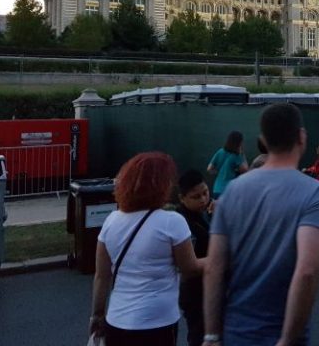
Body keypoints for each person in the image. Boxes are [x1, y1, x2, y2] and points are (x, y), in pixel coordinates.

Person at [202, 103, 319, 346]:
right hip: (283, 334)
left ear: (263, 140)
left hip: (236, 331)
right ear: (301, 137)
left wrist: (211, 335)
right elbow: (307, 270)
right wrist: (287, 339)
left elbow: (213, 267)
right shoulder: (313, 193)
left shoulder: (232, 192)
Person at [89, 152, 204, 346]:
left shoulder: (111, 221)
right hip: (158, 321)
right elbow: (190, 268)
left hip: (118, 320)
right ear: (160, 186)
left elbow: (101, 276)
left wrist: (97, 316)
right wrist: (218, 258)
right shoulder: (172, 222)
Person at [176, 170, 213, 346]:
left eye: (205, 192)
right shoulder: (181, 222)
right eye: (196, 196)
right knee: (199, 335)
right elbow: (188, 267)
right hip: (194, 290)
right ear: (182, 198)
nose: (203, 199)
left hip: (210, 286)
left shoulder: (205, 213)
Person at [207, 131, 248, 199]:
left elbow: (209, 169)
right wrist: (242, 155)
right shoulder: (236, 156)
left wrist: (220, 172)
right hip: (229, 191)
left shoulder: (220, 151)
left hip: (216, 189)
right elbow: (245, 170)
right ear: (239, 143)